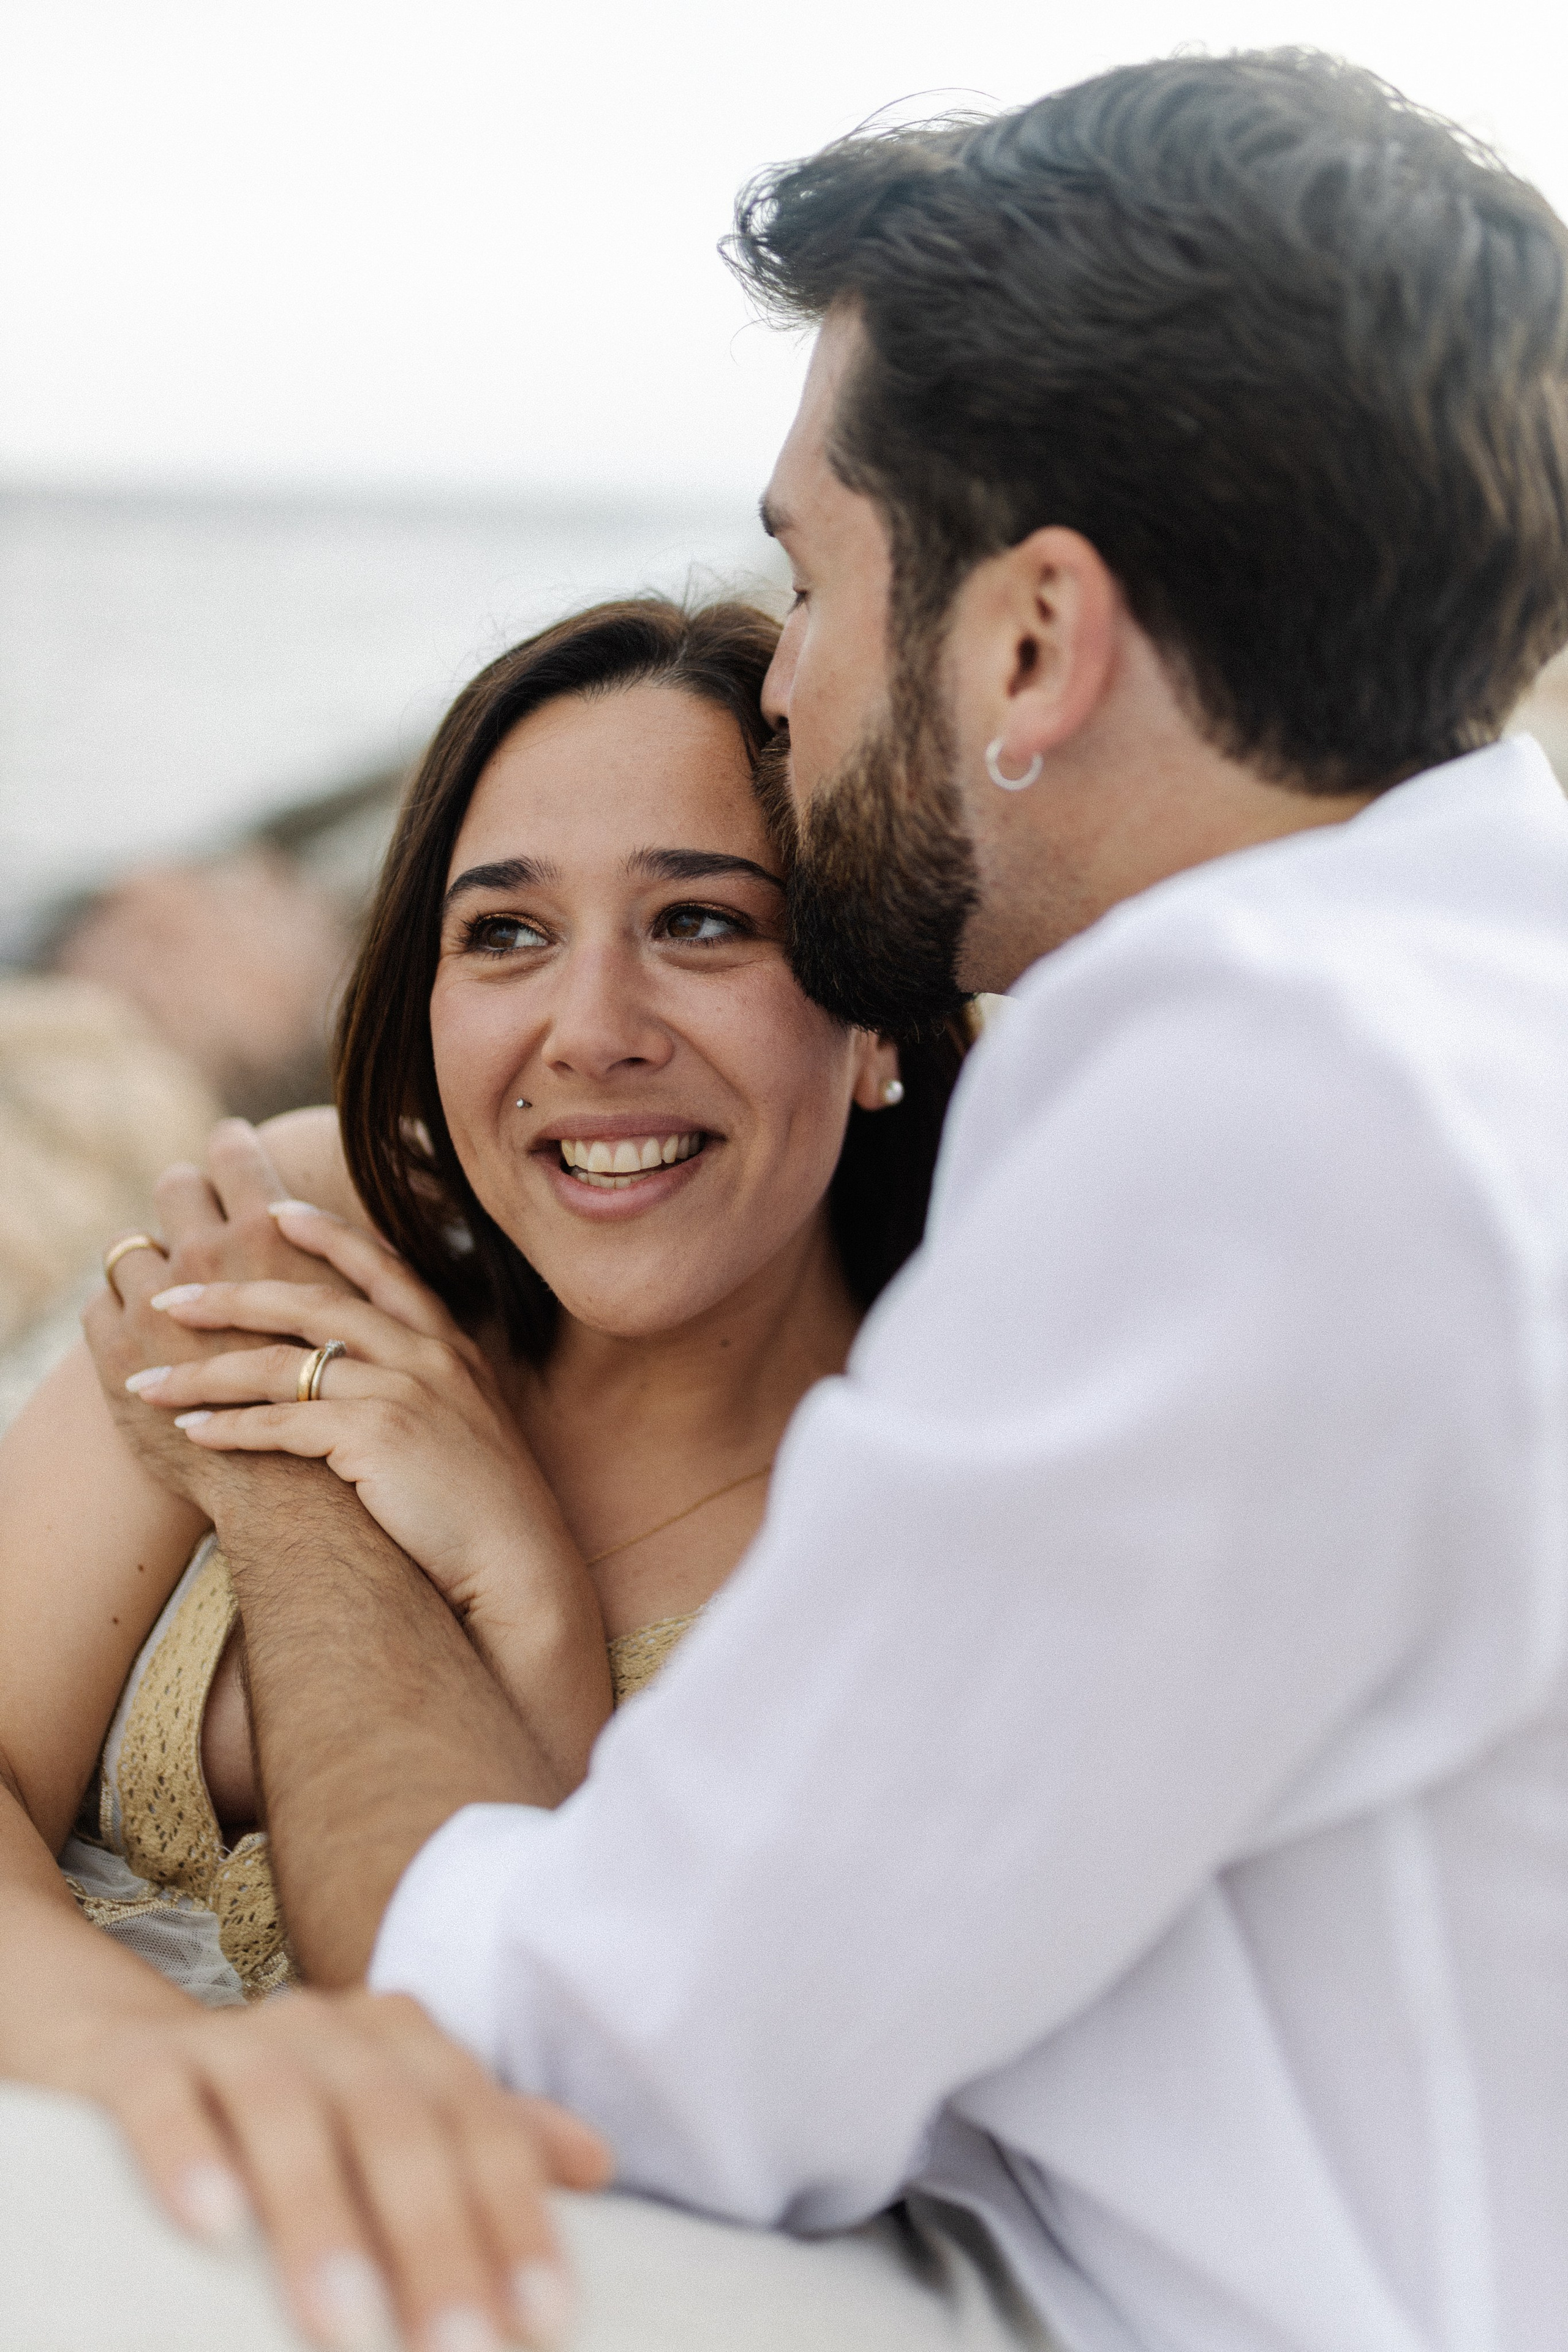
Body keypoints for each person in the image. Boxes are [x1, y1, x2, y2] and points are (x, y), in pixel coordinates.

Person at [6, 44, 1568, 2352]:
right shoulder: (1461, 999)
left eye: (815, 579)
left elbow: (597, 2058)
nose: (800, 676)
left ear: (1032, 643)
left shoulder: (1261, 1104)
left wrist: (322, 1519)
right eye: (501, 928)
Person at [0, 598, 963, 2337]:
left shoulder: (921, 1538)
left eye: (700, 922)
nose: (591, 1027)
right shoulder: (307, 1236)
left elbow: (571, 2064)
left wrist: (520, 1594)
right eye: (505, 932)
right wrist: (145, 2063)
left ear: (876, 1018)